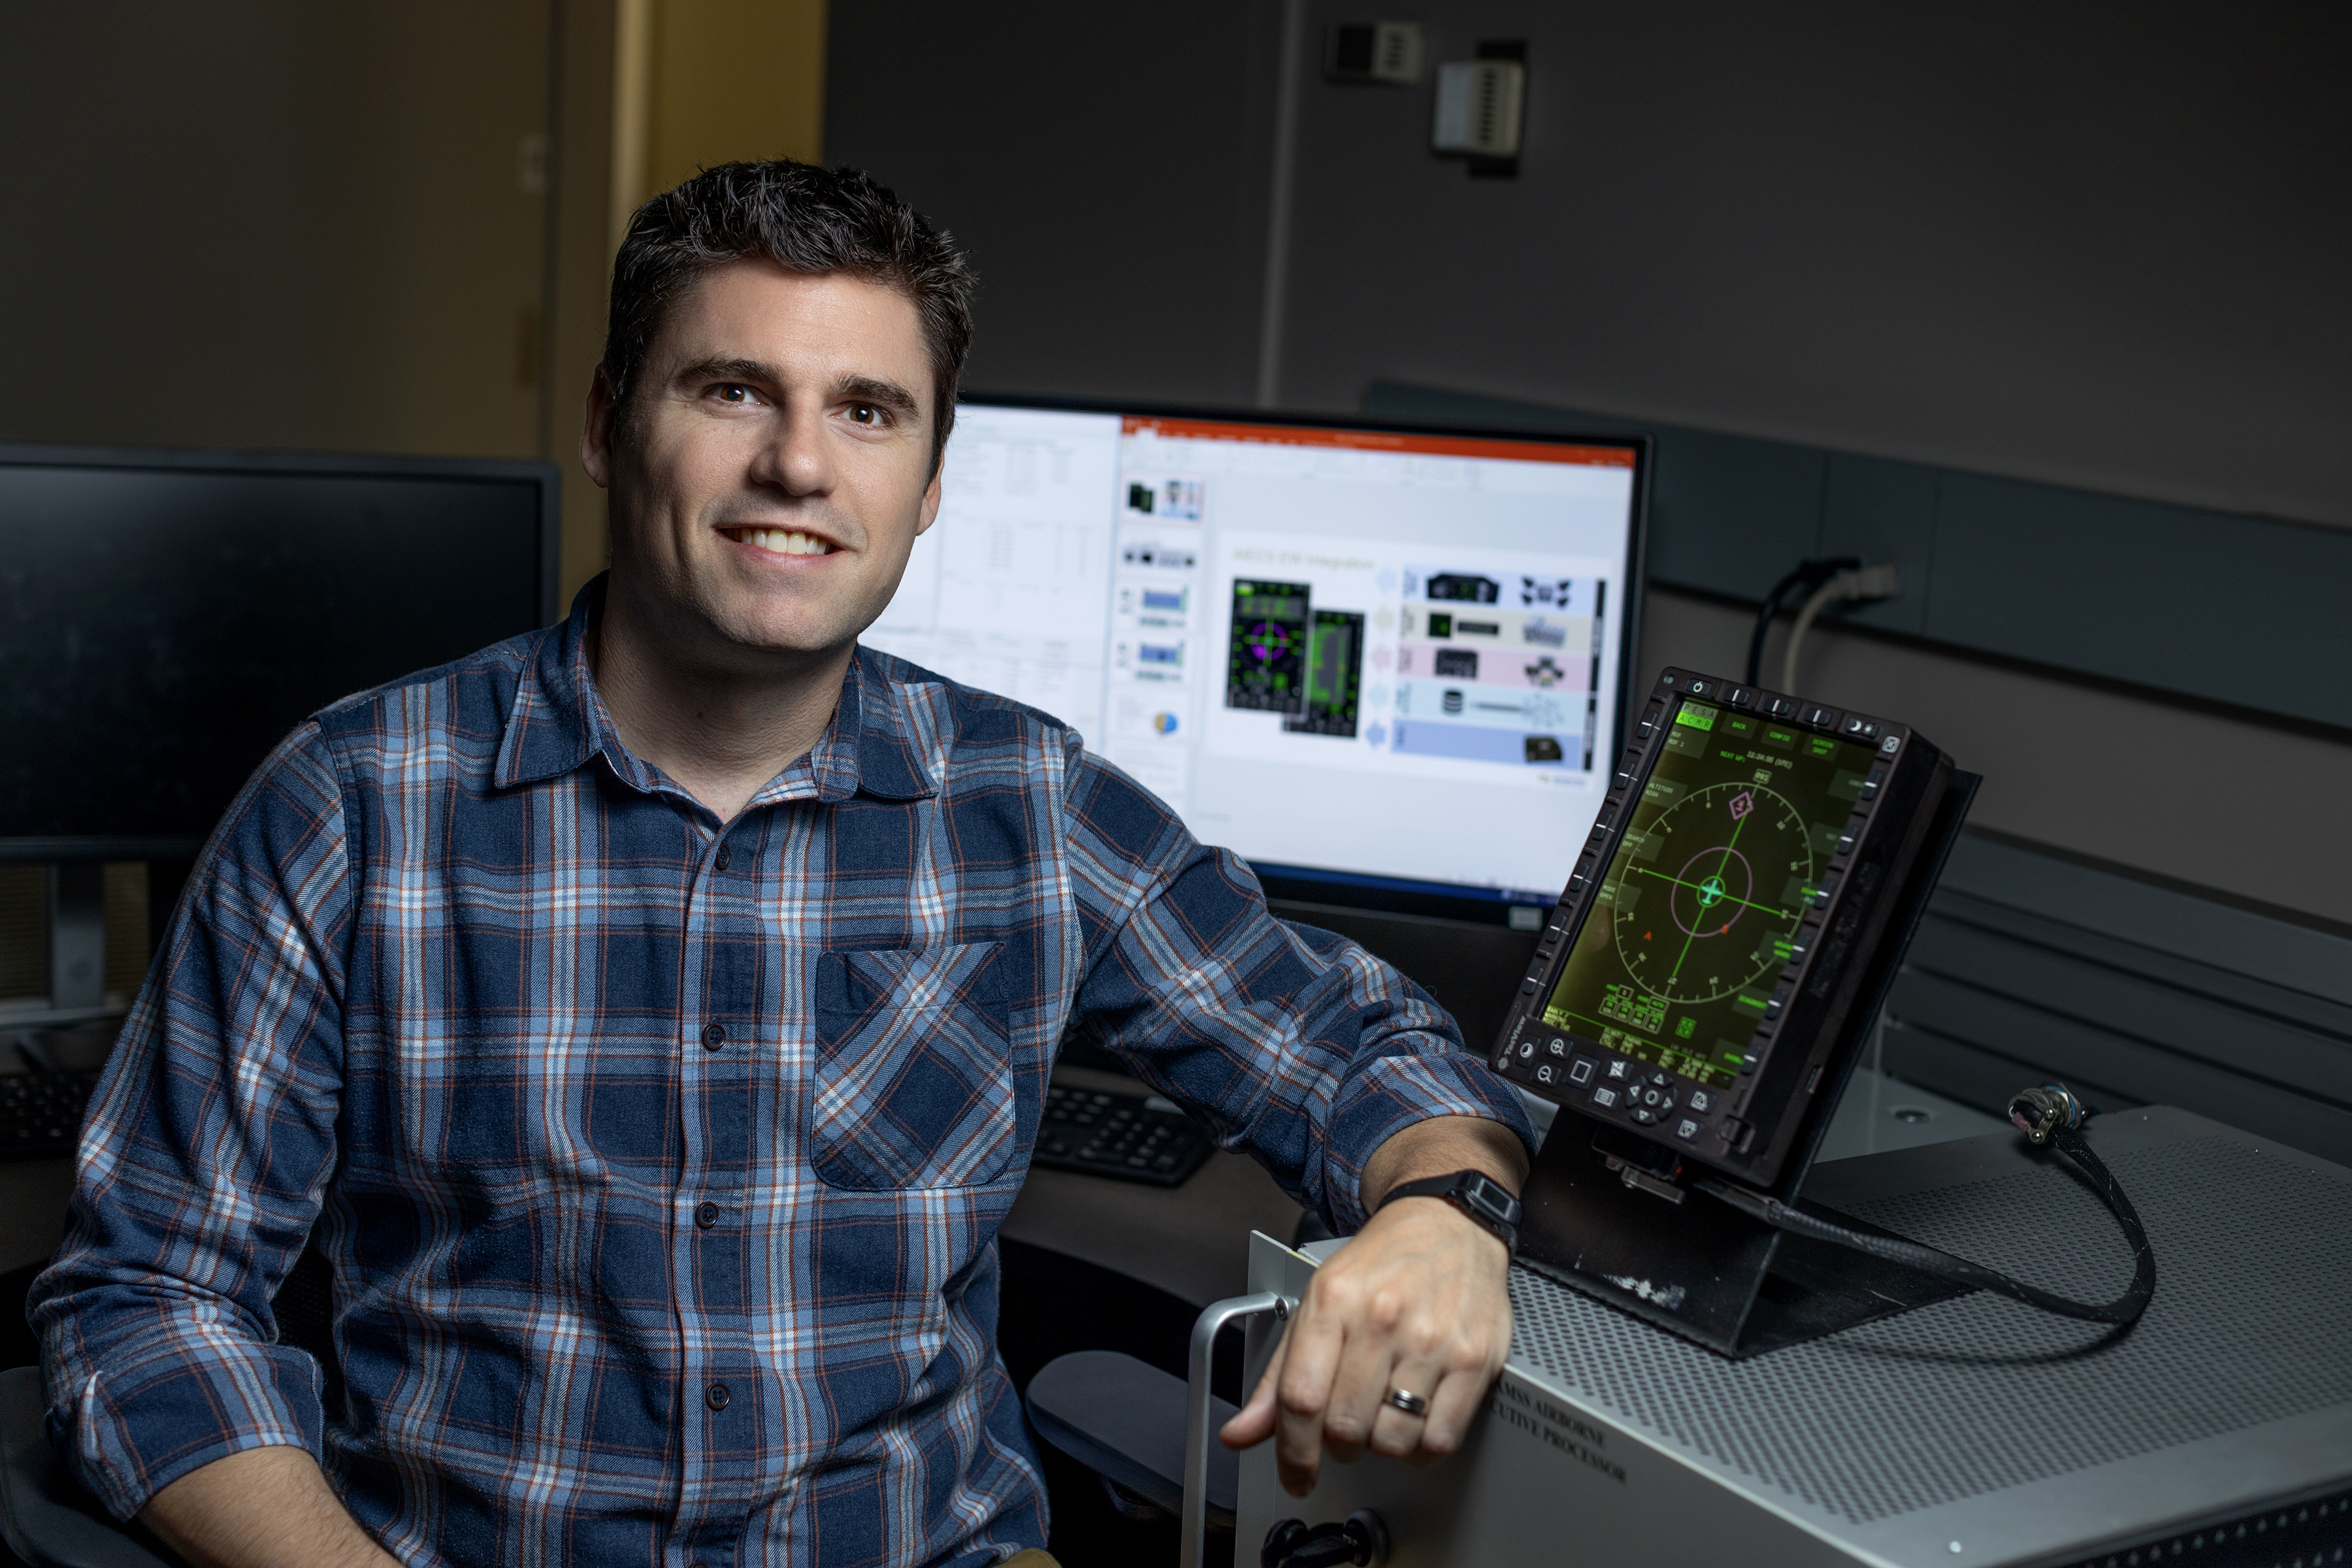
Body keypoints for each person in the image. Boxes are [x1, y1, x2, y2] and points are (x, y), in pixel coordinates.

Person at [31, 160, 1532, 1568]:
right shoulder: (354, 805)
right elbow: (148, 1301)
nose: (799, 463)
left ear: (931, 484)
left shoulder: (1031, 807)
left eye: (869, 411)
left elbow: (1365, 1054)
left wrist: (1441, 1216)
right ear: (612, 423)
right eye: (733, 389)